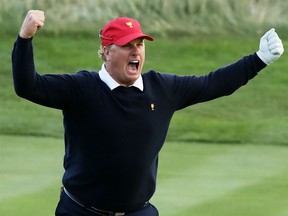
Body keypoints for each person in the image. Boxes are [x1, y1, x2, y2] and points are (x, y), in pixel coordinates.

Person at [12, 10, 284, 216]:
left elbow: (213, 83)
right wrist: (25, 38)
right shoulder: (81, 88)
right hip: (80, 210)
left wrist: (258, 59)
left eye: (140, 44)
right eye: (127, 45)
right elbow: (29, 86)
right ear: (106, 52)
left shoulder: (162, 88)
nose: (136, 51)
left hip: (139, 212)